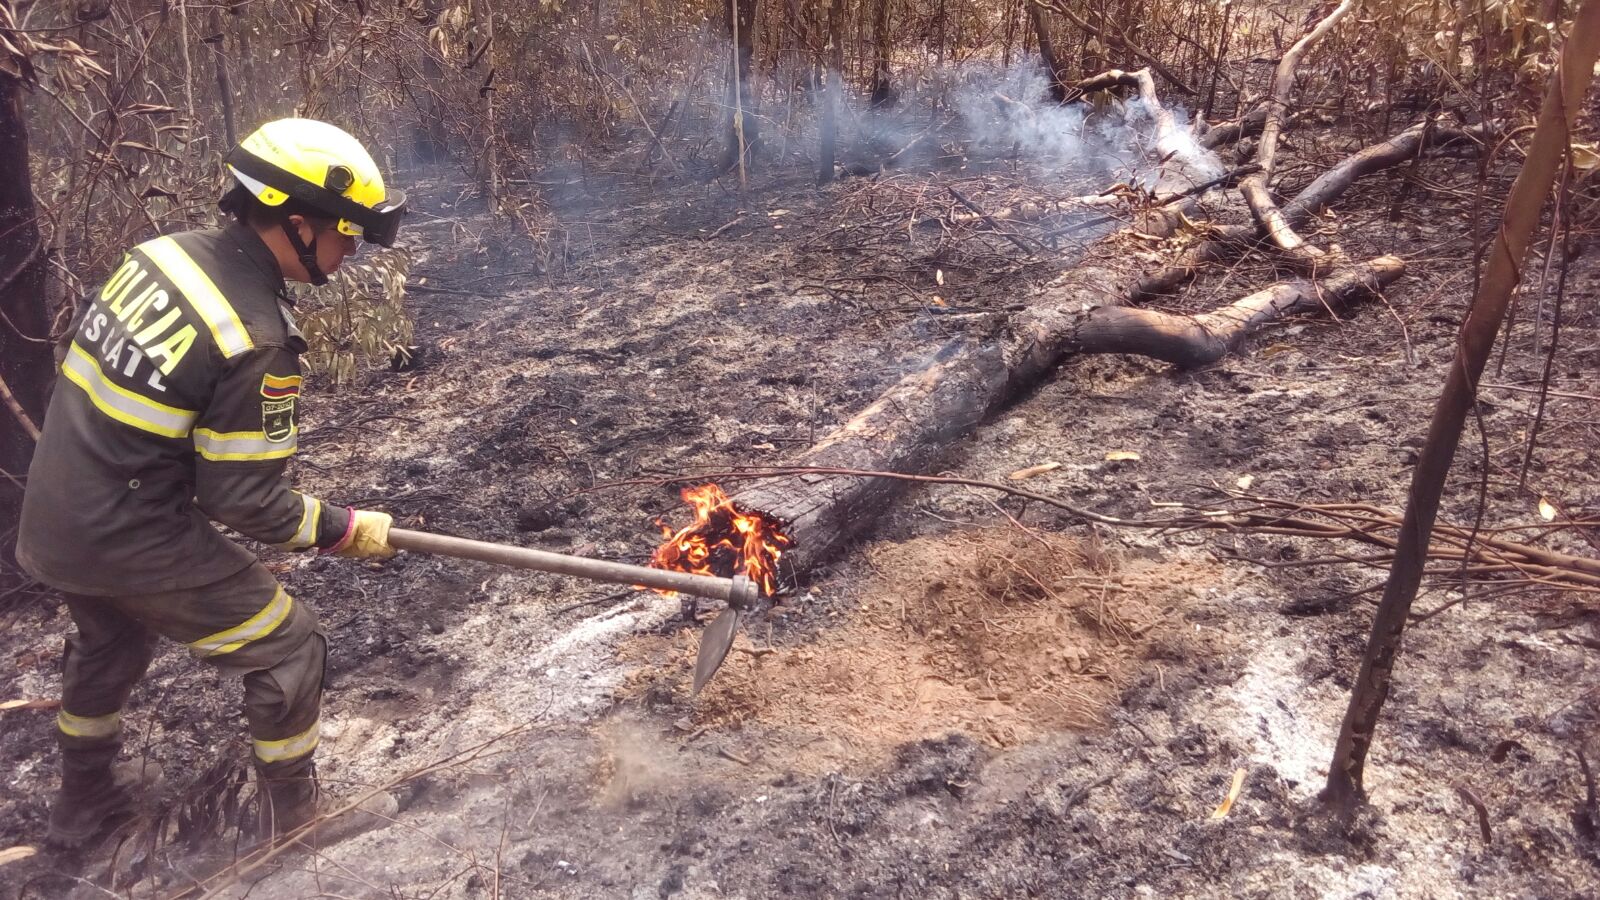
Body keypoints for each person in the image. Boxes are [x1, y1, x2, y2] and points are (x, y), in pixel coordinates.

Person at [15, 118, 408, 849]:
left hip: (54, 513)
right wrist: (345, 528)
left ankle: (83, 805)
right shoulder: (253, 337)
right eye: (346, 232)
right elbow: (244, 501)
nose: (351, 250)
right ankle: (293, 823)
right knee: (290, 643)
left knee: (110, 644)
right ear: (296, 224)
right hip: (124, 532)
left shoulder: (158, 257)